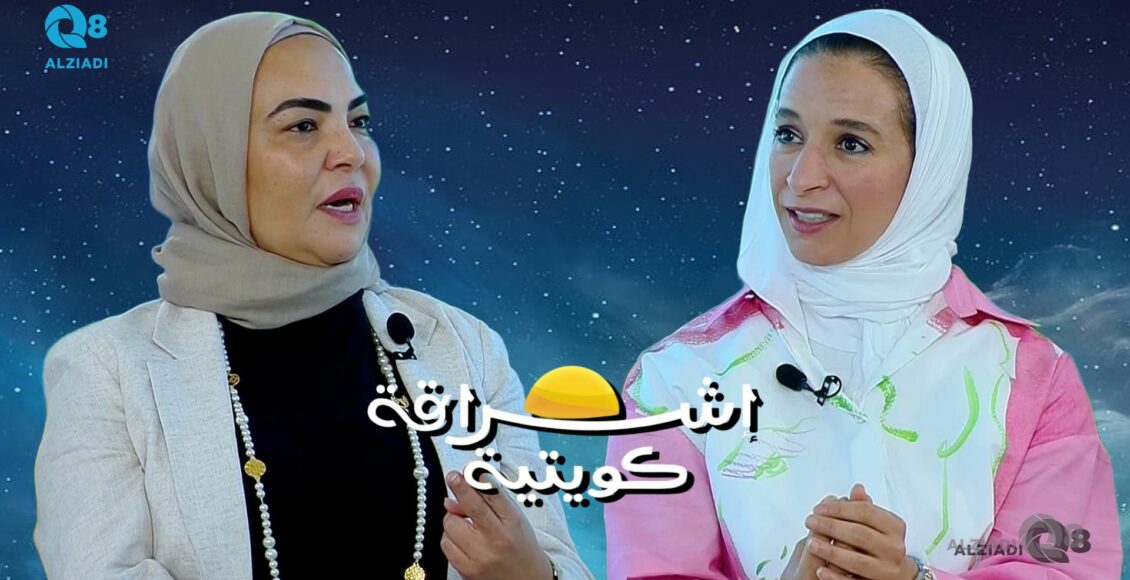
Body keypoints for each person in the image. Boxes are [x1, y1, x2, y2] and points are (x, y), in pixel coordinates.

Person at [33, 12, 591, 580]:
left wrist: (531, 575)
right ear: (212, 157)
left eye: (359, 122)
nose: (352, 152)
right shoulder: (107, 372)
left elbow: (559, 562)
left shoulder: (466, 348)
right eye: (303, 126)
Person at [604, 9, 1120, 580]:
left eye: (850, 143)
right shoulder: (674, 381)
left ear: (930, 169)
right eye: (788, 134)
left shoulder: (1030, 377)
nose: (801, 177)